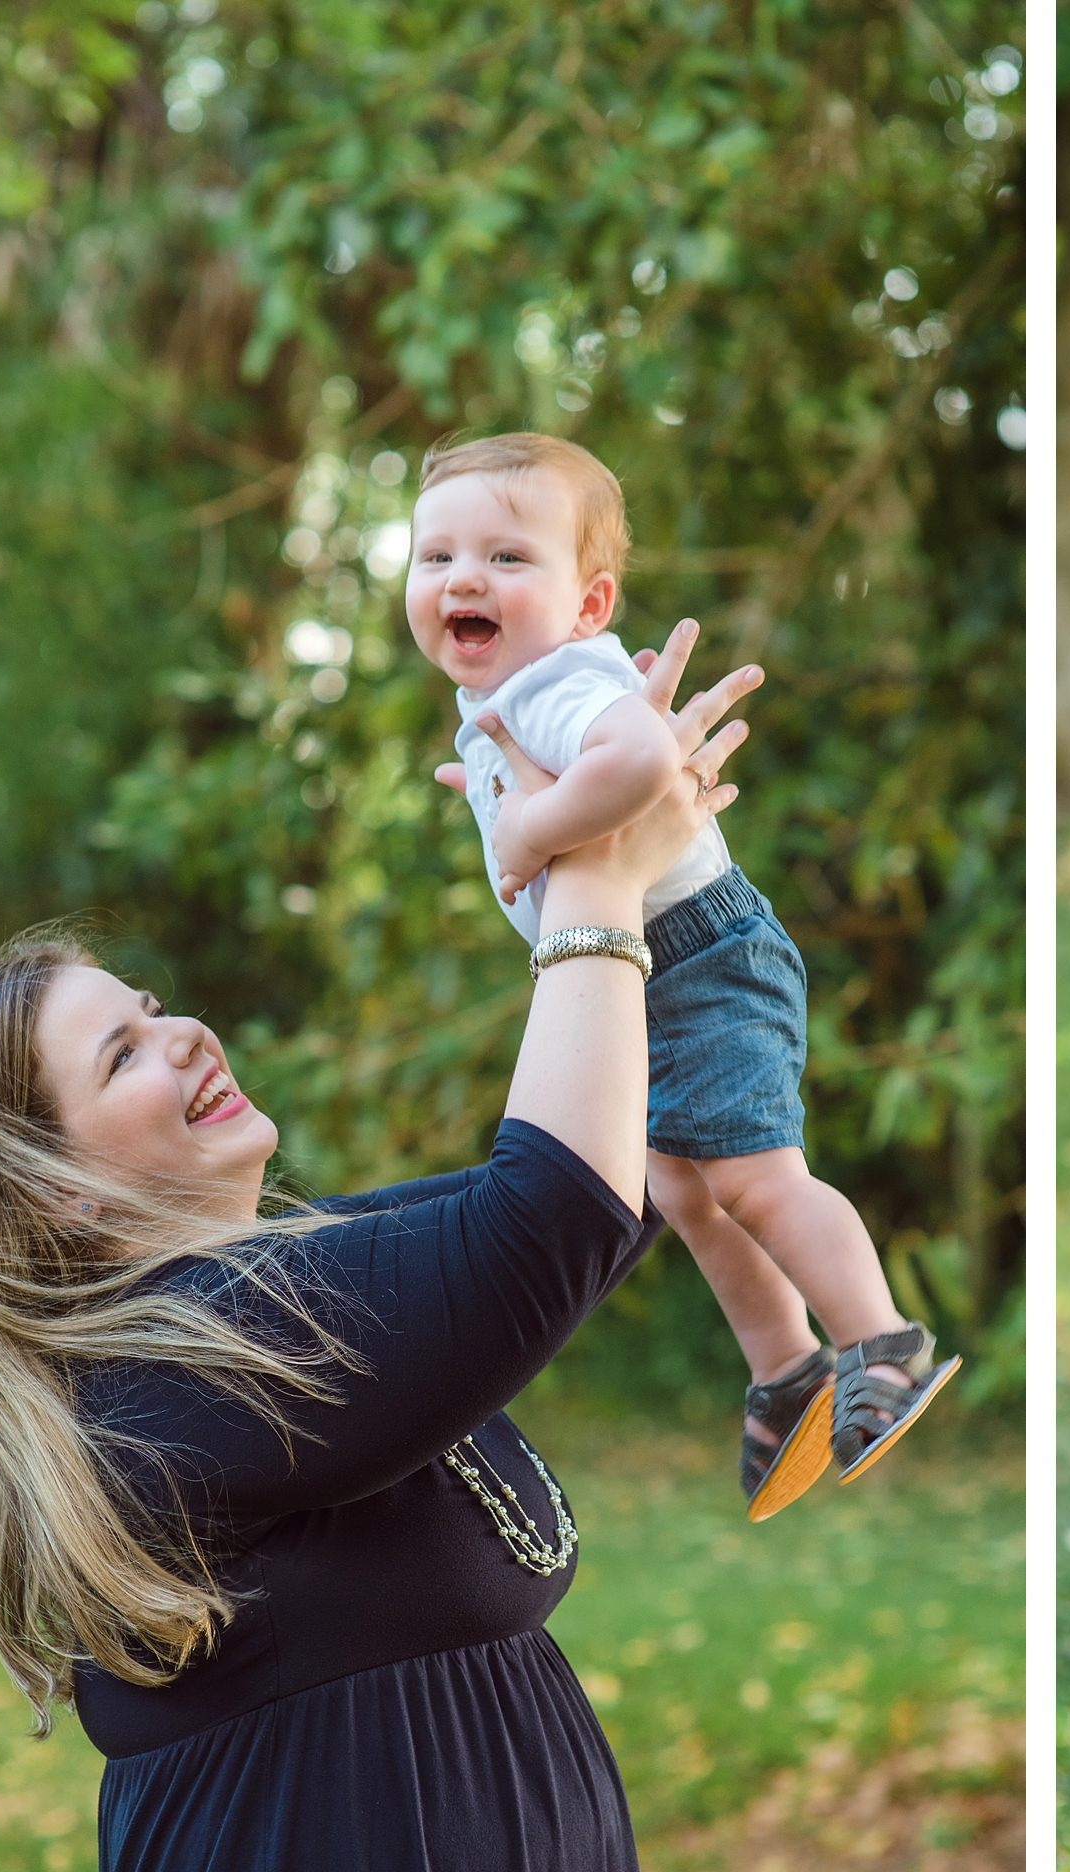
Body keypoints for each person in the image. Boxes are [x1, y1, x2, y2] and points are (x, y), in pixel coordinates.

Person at [0, 626, 754, 1870]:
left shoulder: (294, 1270)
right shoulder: (172, 1382)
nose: (181, 1031)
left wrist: (657, 861)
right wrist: (591, 874)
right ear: (56, 1194)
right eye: (122, 1055)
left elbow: (620, 1182)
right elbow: (552, 1220)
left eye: (148, 1008)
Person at [408, 432, 957, 1520]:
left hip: (698, 954)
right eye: (437, 559)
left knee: (754, 1178)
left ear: (588, 604)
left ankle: (879, 1342)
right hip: (637, 970)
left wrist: (525, 834)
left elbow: (645, 761)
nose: (465, 578)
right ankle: (784, 1370)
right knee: (682, 1193)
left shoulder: (561, 681)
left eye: (509, 558)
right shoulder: (510, 701)